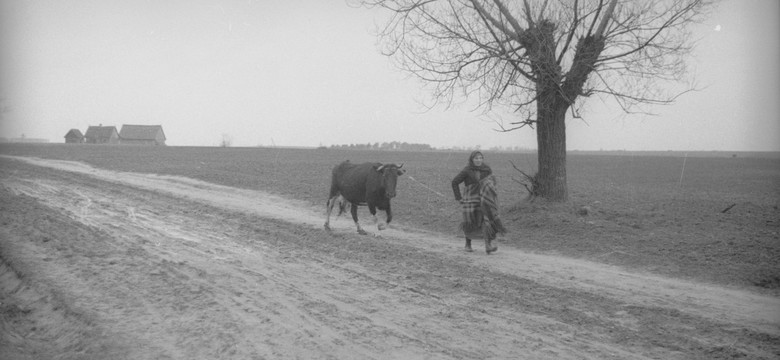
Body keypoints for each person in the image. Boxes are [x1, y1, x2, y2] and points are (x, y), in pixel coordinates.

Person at [451, 150, 499, 254]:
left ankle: (488, 245)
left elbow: (492, 183)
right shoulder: (467, 170)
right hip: (470, 200)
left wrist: (492, 193)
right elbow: (454, 182)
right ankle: (468, 244)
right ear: (472, 159)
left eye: (480, 158)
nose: (479, 160)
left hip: (485, 200)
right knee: (470, 222)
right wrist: (458, 197)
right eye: (476, 158)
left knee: (487, 220)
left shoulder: (487, 170)